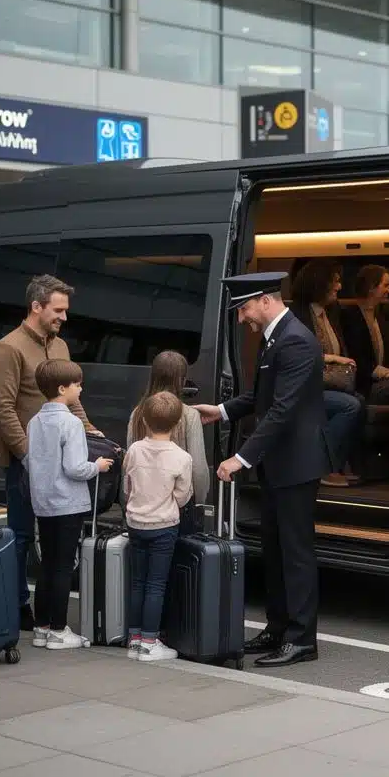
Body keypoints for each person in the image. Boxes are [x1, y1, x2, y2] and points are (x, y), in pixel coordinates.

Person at [196, 271, 330, 667]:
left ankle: (302, 638)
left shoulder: (296, 341)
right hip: (279, 463)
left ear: (266, 301)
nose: (242, 318)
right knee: (275, 551)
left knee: (296, 553)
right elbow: (261, 396)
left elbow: (283, 410)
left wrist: (241, 457)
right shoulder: (277, 337)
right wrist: (220, 411)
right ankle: (278, 627)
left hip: (296, 465)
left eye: (244, 309)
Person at [0, 274, 99, 632]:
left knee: (52, 546)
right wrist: (30, 458)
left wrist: (90, 430)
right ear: (36, 306)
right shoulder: (9, 348)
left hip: (57, 463)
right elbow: (3, 409)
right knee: (21, 537)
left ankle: (45, 617)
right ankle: (18, 604)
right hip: (25, 463)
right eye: (58, 310)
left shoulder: (61, 346)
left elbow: (72, 399)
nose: (64, 317)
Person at [25, 358, 110, 651]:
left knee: (47, 564)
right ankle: (60, 630)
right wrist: (96, 466)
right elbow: (74, 467)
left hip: (43, 503)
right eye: (76, 384)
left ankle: (42, 627)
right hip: (68, 504)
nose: (80, 389)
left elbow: (30, 461)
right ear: (62, 388)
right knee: (63, 567)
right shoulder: (71, 423)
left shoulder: (35, 421)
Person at [124, 390, 192, 662]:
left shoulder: (134, 449)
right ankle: (150, 642)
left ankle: (135, 638)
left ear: (144, 420)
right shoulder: (181, 457)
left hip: (135, 523)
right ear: (177, 425)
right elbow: (183, 495)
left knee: (138, 582)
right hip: (163, 526)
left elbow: (128, 485)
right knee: (156, 584)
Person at [290, 260, 364, 488]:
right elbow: (297, 355)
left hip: (326, 385)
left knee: (360, 401)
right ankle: (318, 466)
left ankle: (335, 466)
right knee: (349, 406)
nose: (339, 287)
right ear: (319, 284)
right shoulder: (297, 316)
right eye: (335, 281)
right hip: (302, 389)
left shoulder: (330, 314)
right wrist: (333, 359)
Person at [125, 350, 209, 510]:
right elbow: (198, 469)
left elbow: (128, 463)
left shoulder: (138, 412)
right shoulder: (190, 415)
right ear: (181, 380)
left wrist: (127, 500)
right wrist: (200, 501)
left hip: (141, 503)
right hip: (176, 504)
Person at [341, 264, 389, 404]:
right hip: (364, 385)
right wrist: (386, 373)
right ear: (371, 287)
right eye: (386, 285)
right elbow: (358, 361)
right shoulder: (351, 317)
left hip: (380, 379)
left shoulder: (378, 316)